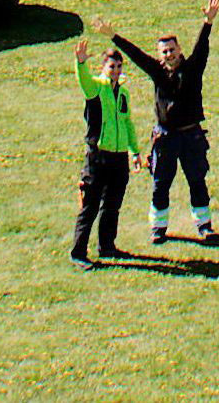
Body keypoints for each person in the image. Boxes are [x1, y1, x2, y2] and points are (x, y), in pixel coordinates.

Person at [92, 0, 219, 244]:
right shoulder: (157, 71)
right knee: (160, 183)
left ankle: (204, 226)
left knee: (197, 180)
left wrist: (208, 22)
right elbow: (136, 55)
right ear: (159, 56)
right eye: (164, 52)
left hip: (191, 135)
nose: (169, 54)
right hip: (165, 137)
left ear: (179, 50)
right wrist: (113, 36)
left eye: (172, 49)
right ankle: (158, 228)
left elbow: (202, 46)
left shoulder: (192, 68)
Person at [70, 39, 142, 270]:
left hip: (119, 157)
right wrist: (80, 63)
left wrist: (135, 151)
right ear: (103, 67)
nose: (116, 71)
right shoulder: (97, 88)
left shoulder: (123, 93)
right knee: (90, 205)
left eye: (119, 66)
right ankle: (79, 252)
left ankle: (107, 246)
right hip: (98, 156)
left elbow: (127, 122)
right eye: (111, 66)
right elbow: (83, 82)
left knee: (112, 204)